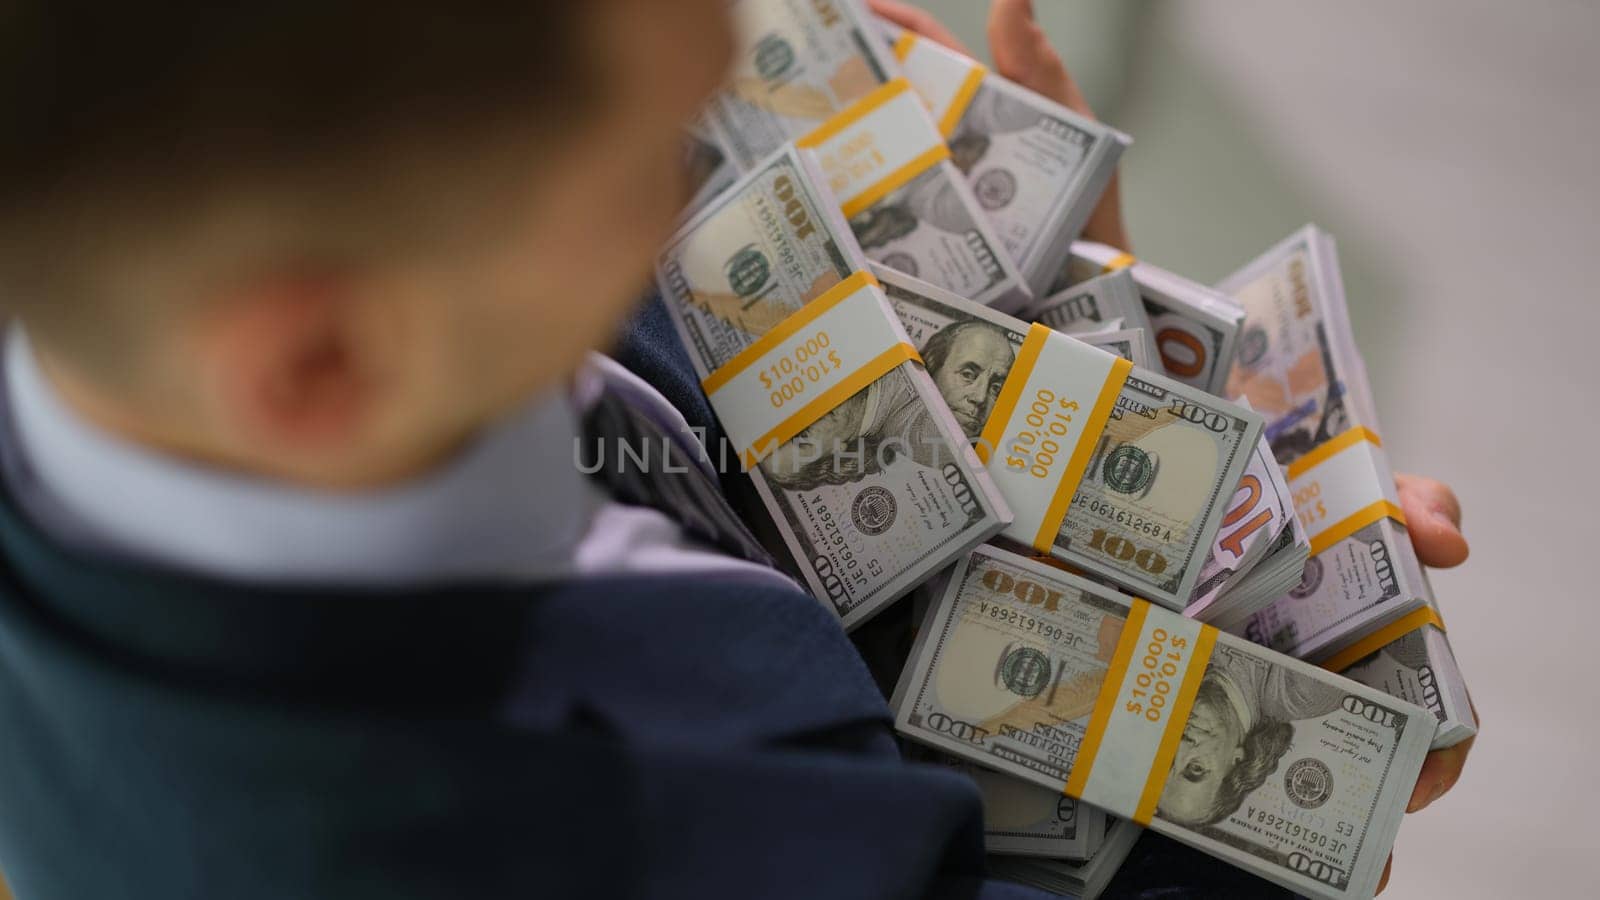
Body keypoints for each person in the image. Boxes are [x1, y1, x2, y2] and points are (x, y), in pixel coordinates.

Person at [0, 3, 1473, 900]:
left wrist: (1090, 318)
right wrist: (1289, 805)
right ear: (320, 365)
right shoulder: (596, 847)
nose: (746, 170)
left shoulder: (144, 279)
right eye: (666, 148)